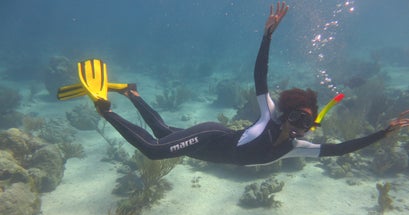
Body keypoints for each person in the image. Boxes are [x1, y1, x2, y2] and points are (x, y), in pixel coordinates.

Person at [94, 2, 409, 166]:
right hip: (212, 135)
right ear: (286, 112)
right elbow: (260, 76)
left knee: (162, 133)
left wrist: (384, 132)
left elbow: (340, 150)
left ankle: (132, 92)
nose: (299, 125)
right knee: (154, 150)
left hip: (207, 152)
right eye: (297, 116)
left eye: (307, 120)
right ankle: (107, 112)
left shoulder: (296, 148)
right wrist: (268, 35)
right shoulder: (270, 113)